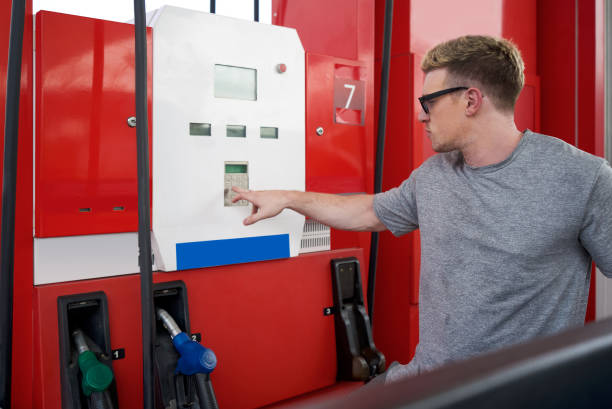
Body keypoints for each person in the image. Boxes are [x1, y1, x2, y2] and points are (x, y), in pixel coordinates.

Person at [231, 35, 612, 383]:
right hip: (428, 383)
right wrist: (288, 199)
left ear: (471, 100)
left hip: (521, 393)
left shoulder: (582, 178)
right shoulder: (434, 176)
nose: (420, 115)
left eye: (429, 102)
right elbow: (368, 213)